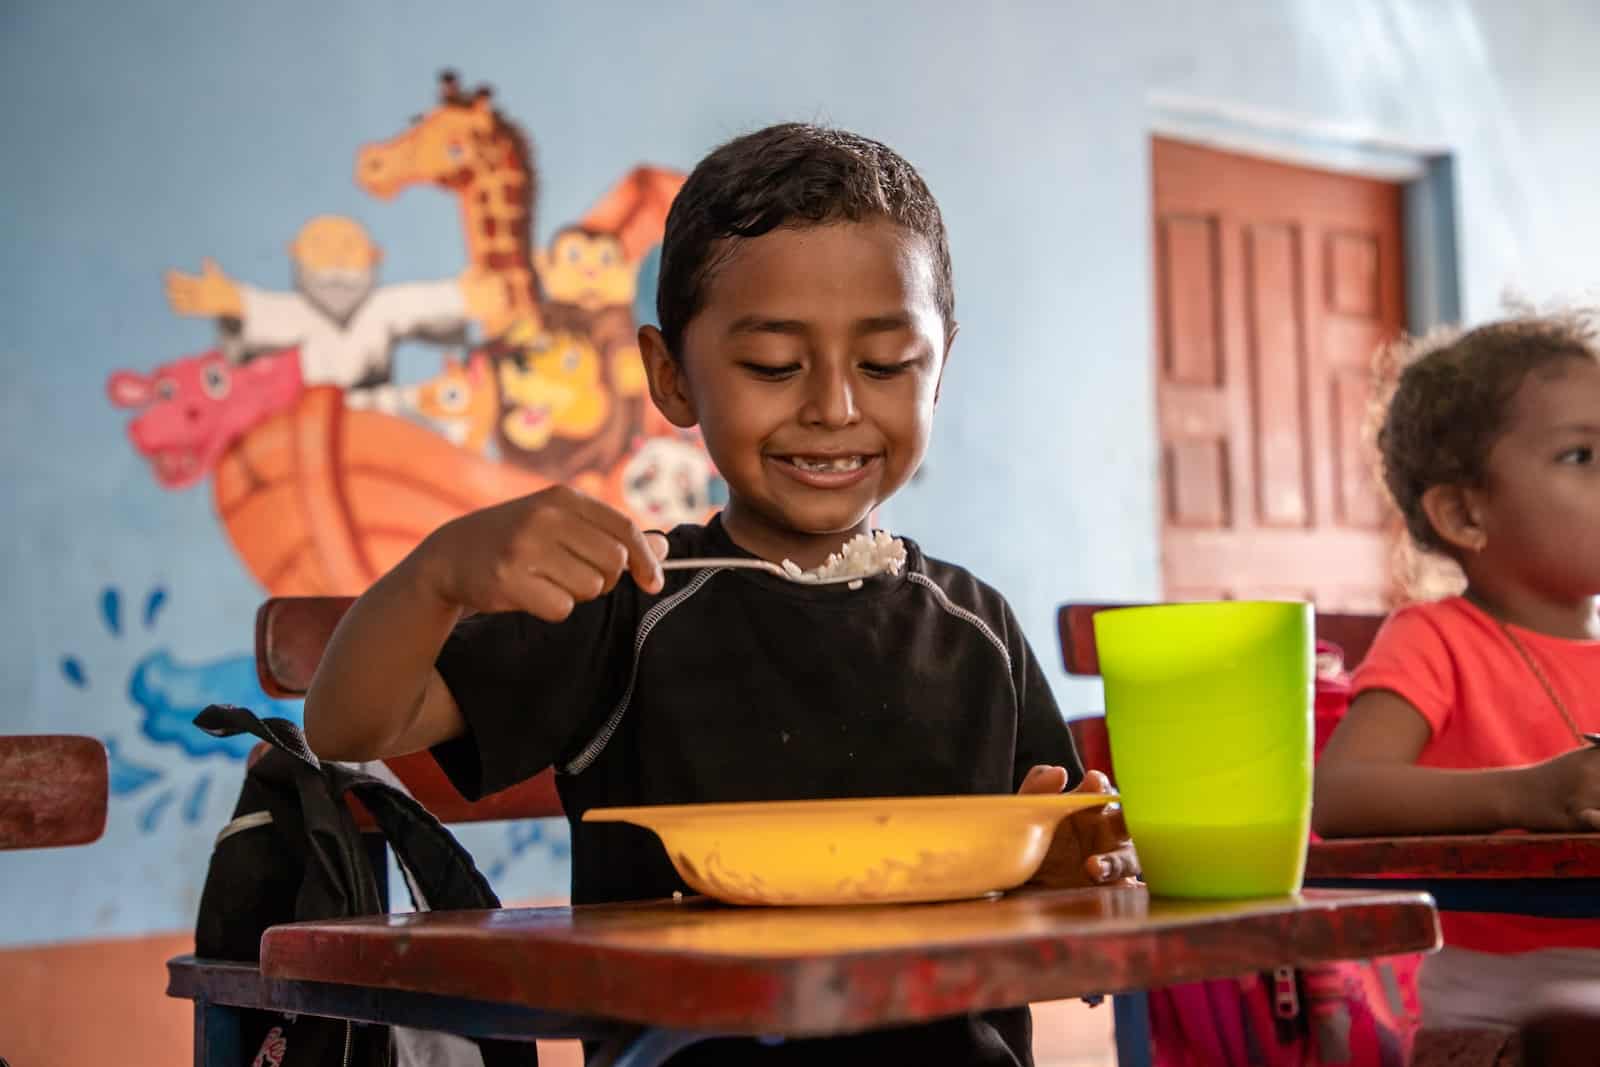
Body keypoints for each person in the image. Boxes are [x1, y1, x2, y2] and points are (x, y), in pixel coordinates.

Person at [303, 123, 1136, 1066]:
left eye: (886, 363)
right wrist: (436, 575)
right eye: (775, 365)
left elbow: (1072, 883)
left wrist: (1073, 880)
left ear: (942, 366)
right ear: (672, 377)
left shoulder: (974, 627)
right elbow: (347, 727)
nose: (834, 406)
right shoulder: (630, 606)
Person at [1314, 313, 1600, 1031]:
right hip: (1506, 1019)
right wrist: (1526, 795)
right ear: (1464, 511)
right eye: (1580, 455)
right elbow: (1339, 796)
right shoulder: (1436, 639)